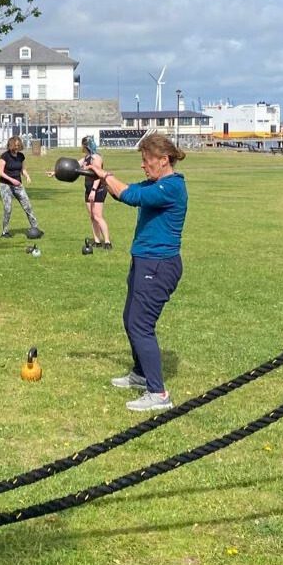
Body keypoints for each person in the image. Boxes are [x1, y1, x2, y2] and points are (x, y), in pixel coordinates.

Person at [85, 133, 187, 412]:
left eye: (147, 161)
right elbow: (127, 192)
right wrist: (96, 174)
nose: (143, 166)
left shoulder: (172, 187)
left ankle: (159, 393)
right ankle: (141, 375)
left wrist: (105, 174)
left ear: (164, 160)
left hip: (159, 265)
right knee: (130, 319)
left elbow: (131, 195)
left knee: (141, 325)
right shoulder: (158, 183)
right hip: (144, 262)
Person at [0, 136, 42, 239]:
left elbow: (22, 169)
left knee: (28, 206)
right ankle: (5, 232)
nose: (17, 147)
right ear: (11, 145)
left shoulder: (21, 156)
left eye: (18, 145)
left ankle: (35, 228)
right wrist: (11, 180)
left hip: (18, 185)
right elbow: (0, 172)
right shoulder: (5, 156)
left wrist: (27, 176)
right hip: (5, 185)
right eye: (15, 145)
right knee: (8, 208)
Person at [80, 135, 111, 249]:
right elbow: (73, 166)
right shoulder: (86, 158)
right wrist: (56, 172)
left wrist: (93, 190)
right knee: (92, 217)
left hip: (98, 189)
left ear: (85, 145)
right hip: (88, 189)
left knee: (98, 216)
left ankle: (107, 242)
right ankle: (97, 241)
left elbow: (98, 175)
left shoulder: (96, 158)